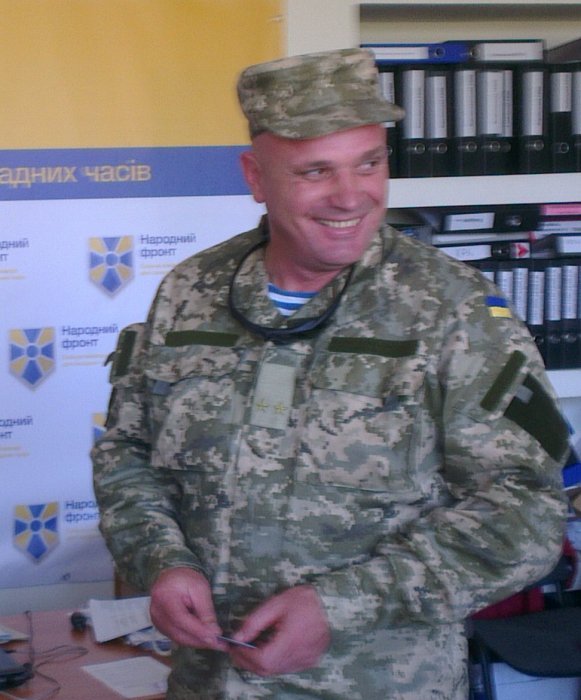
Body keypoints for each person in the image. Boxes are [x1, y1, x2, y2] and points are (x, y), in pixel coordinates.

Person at [92, 48, 570, 699]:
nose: (351, 196)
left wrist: (342, 605)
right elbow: (127, 450)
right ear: (256, 177)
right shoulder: (189, 292)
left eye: (369, 163)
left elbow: (527, 511)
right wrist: (162, 561)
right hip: (208, 681)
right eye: (315, 171)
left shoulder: (453, 309)